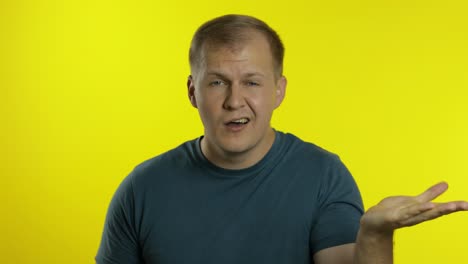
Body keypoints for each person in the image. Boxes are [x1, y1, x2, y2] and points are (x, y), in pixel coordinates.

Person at [96, 14, 468, 264]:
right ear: (193, 92)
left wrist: (374, 235)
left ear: (278, 90)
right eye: (217, 82)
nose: (234, 100)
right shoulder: (141, 189)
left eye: (252, 82)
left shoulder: (323, 175)